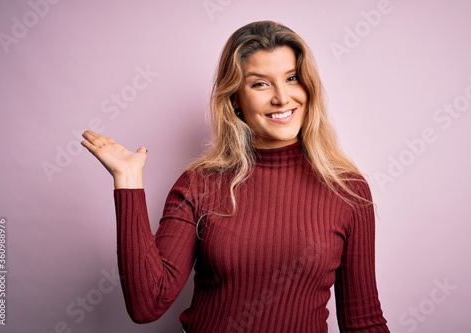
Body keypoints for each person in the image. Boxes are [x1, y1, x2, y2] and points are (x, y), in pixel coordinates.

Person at [81, 20, 389, 333]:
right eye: (260, 84)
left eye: (292, 78)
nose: (282, 98)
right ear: (235, 101)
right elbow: (148, 303)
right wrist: (128, 182)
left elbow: (363, 323)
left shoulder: (347, 190)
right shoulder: (199, 184)